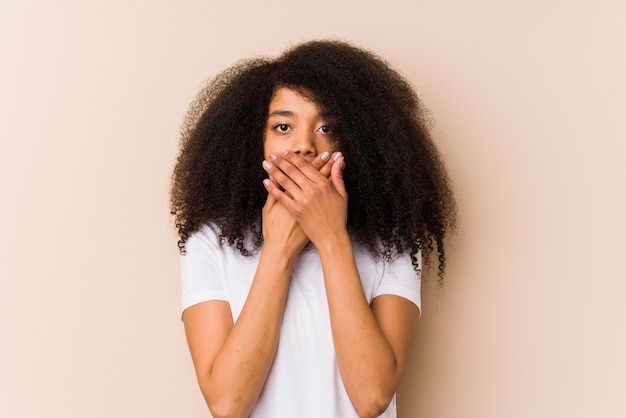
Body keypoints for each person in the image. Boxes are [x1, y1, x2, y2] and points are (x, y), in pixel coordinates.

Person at [170, 39, 456, 418]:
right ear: (253, 140)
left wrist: (331, 237)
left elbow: (371, 397)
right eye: (283, 126)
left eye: (326, 127)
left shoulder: (394, 240)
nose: (304, 145)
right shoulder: (210, 240)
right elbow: (227, 403)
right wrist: (279, 249)